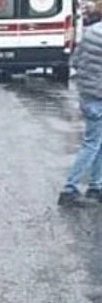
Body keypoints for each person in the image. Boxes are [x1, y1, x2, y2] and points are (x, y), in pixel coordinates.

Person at [59, 22, 102, 206]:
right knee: (92, 143)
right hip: (99, 95)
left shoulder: (91, 31)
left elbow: (76, 61)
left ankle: (96, 186)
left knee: (97, 142)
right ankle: (70, 188)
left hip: (87, 94)